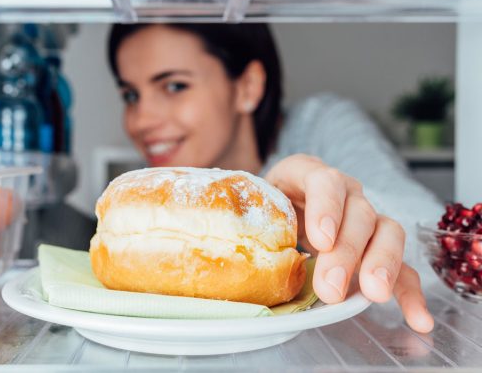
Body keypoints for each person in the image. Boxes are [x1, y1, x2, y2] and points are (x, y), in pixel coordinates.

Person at [107, 23, 440, 333]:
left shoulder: (320, 122)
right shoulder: (144, 203)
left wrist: (336, 224)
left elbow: (430, 226)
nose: (142, 121)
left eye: (174, 86)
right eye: (130, 96)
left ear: (248, 86)